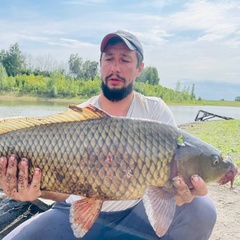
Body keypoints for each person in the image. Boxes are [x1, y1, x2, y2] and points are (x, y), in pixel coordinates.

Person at [0, 30, 216, 240]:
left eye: (125, 60)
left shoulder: (155, 112)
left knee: (201, 209)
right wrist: (34, 191)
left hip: (134, 215)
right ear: (100, 64)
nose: (115, 68)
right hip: (74, 210)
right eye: (109, 59)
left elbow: (165, 196)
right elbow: (65, 195)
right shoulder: (78, 116)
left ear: (139, 68)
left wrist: (179, 197)